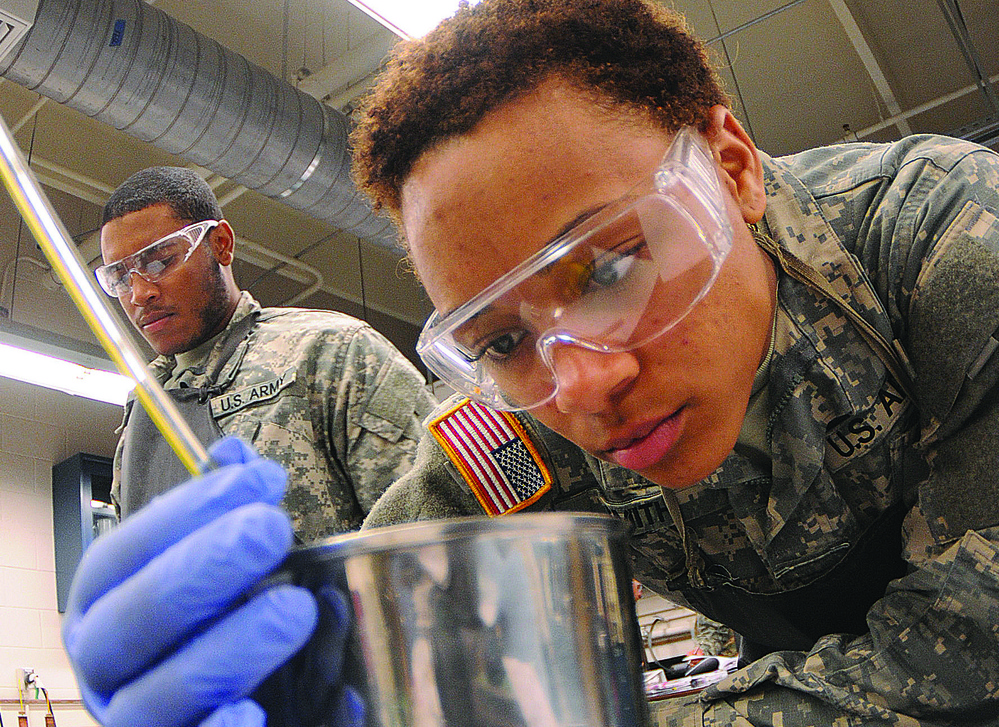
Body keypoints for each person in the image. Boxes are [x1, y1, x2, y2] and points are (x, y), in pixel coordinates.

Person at [64, 1, 999, 725]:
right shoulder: (516, 425)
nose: (579, 383)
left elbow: (968, 650)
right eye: (500, 339)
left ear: (730, 166)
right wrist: (300, 669)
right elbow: (390, 607)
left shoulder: (943, 241)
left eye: (611, 265)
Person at [96, 166, 436, 540]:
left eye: (159, 262)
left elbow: (432, 539)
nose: (140, 293)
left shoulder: (328, 351)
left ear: (221, 244)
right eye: (121, 278)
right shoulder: (143, 412)